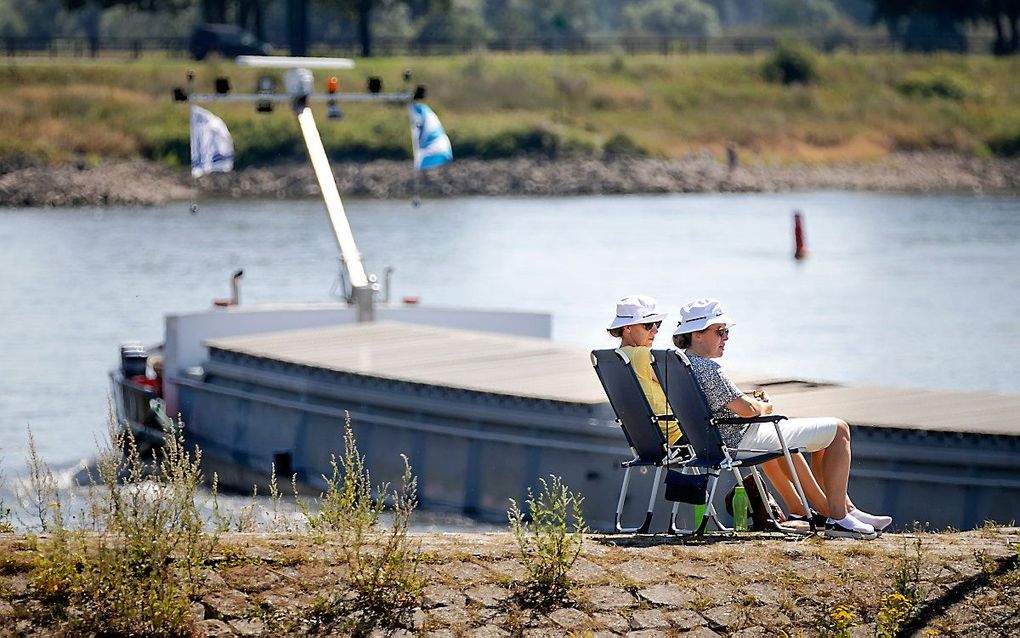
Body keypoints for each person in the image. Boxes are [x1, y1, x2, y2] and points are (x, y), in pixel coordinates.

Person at [672, 298, 892, 540]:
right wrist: (764, 406)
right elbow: (747, 410)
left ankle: (843, 510)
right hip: (741, 440)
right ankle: (839, 518)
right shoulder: (709, 369)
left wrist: (752, 406)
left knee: (822, 440)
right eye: (720, 331)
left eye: (726, 332)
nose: (726, 337)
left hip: (717, 441)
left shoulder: (679, 365)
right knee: (839, 430)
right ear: (697, 334)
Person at [607, 295, 681, 446]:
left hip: (646, 442)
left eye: (657, 324)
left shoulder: (614, 359)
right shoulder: (642, 355)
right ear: (627, 328)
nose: (655, 331)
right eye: (648, 325)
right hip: (678, 438)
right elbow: (684, 385)